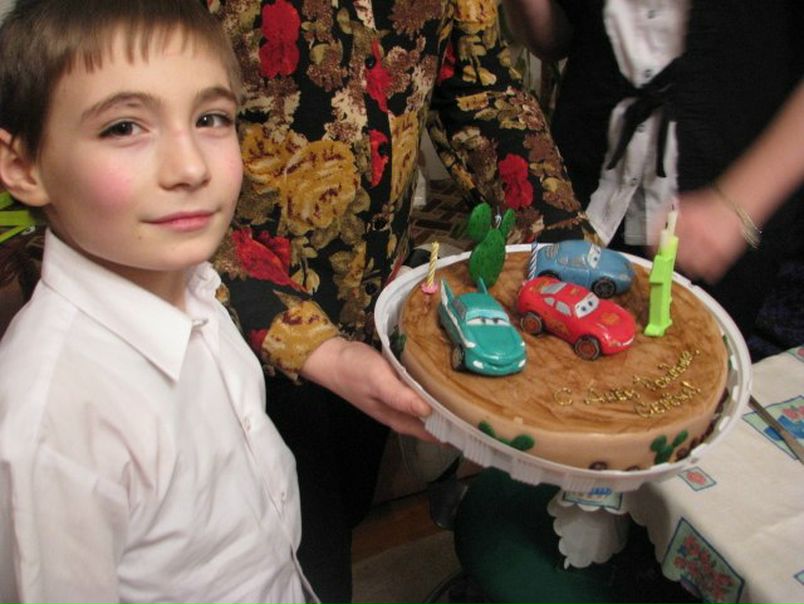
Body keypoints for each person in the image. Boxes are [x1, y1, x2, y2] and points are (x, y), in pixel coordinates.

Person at [207, 1, 596, 601]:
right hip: (223, 326)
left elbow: (478, 91)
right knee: (279, 557)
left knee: (342, 503)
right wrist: (312, 345)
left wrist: (562, 241)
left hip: (371, 312)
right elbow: (151, 156)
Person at [0, 1, 315, 601]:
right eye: (124, 127)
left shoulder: (197, 291)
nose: (191, 167)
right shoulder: (52, 424)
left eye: (211, 118)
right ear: (23, 166)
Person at [502, 0, 804, 352]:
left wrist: (737, 205)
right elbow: (555, 38)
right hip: (578, 185)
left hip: (717, 221)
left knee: (684, 363)